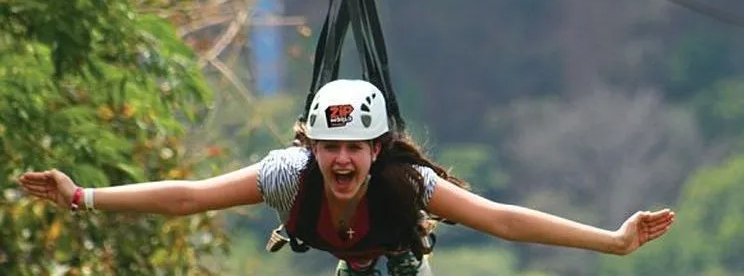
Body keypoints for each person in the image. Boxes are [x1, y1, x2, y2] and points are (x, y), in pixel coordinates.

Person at [18, 79, 676, 275]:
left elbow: (503, 220)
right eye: (329, 147)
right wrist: (83, 197)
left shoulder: (405, 185)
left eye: (356, 150)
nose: (341, 161)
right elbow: (188, 198)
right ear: (309, 143)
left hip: (392, 266)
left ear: (379, 149)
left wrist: (612, 241)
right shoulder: (286, 176)